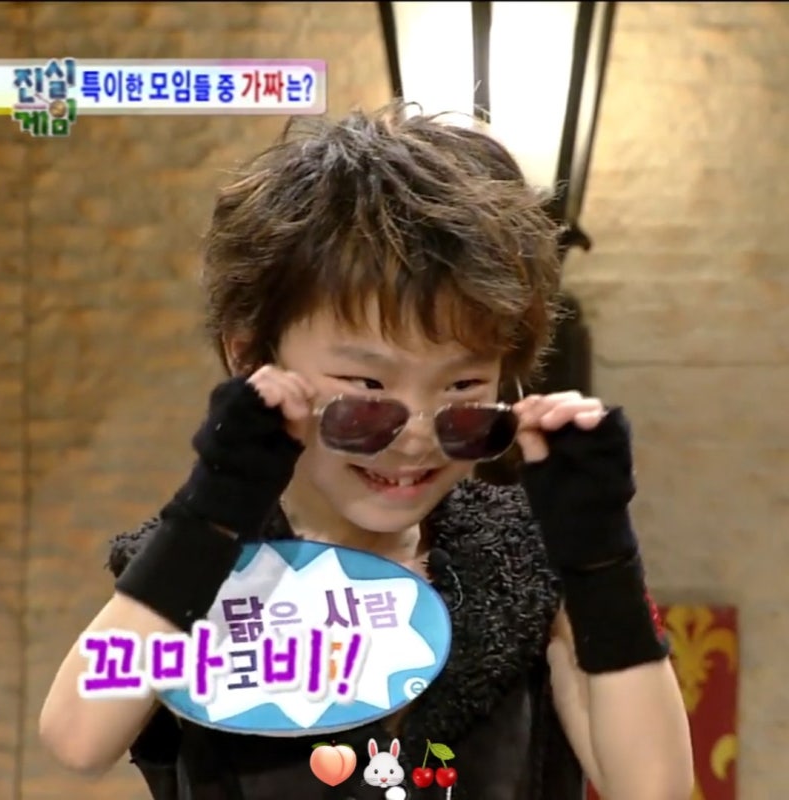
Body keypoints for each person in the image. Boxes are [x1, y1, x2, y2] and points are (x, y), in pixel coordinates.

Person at [39, 102, 694, 800]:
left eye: (463, 388)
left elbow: (652, 787)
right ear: (250, 357)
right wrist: (212, 512)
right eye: (368, 389)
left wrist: (600, 556)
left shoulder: (526, 560)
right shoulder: (198, 563)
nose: (416, 435)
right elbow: (78, 736)